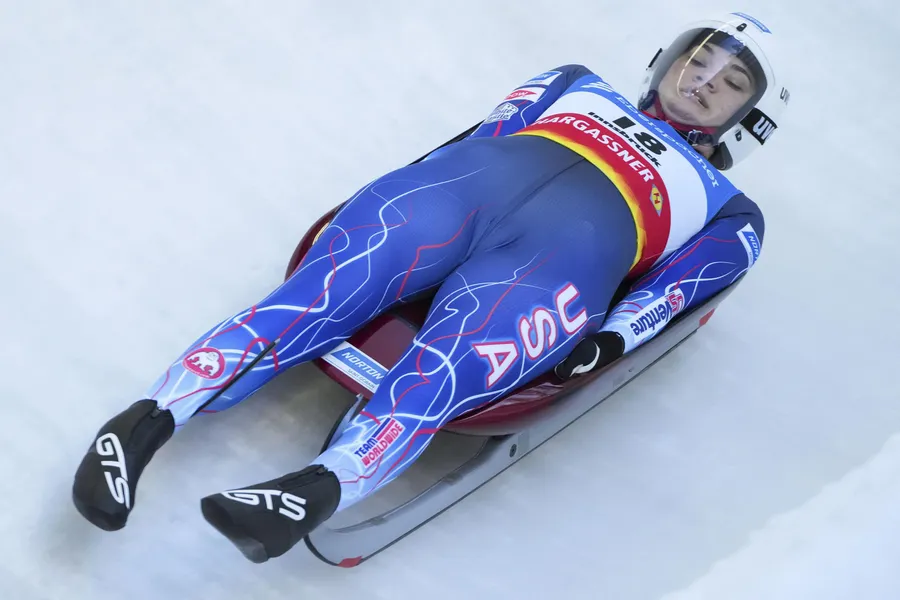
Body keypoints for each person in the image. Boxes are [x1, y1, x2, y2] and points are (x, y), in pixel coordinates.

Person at [72, 12, 787, 562]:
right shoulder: (575, 83)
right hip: (454, 197)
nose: (703, 80)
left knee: (447, 366)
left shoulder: (730, 211)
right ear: (667, 59)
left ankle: (316, 489)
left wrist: (607, 343)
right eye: (699, 60)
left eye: (729, 84)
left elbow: (673, 294)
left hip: (551, 265)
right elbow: (480, 135)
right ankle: (140, 426)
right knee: (321, 297)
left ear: (747, 122)